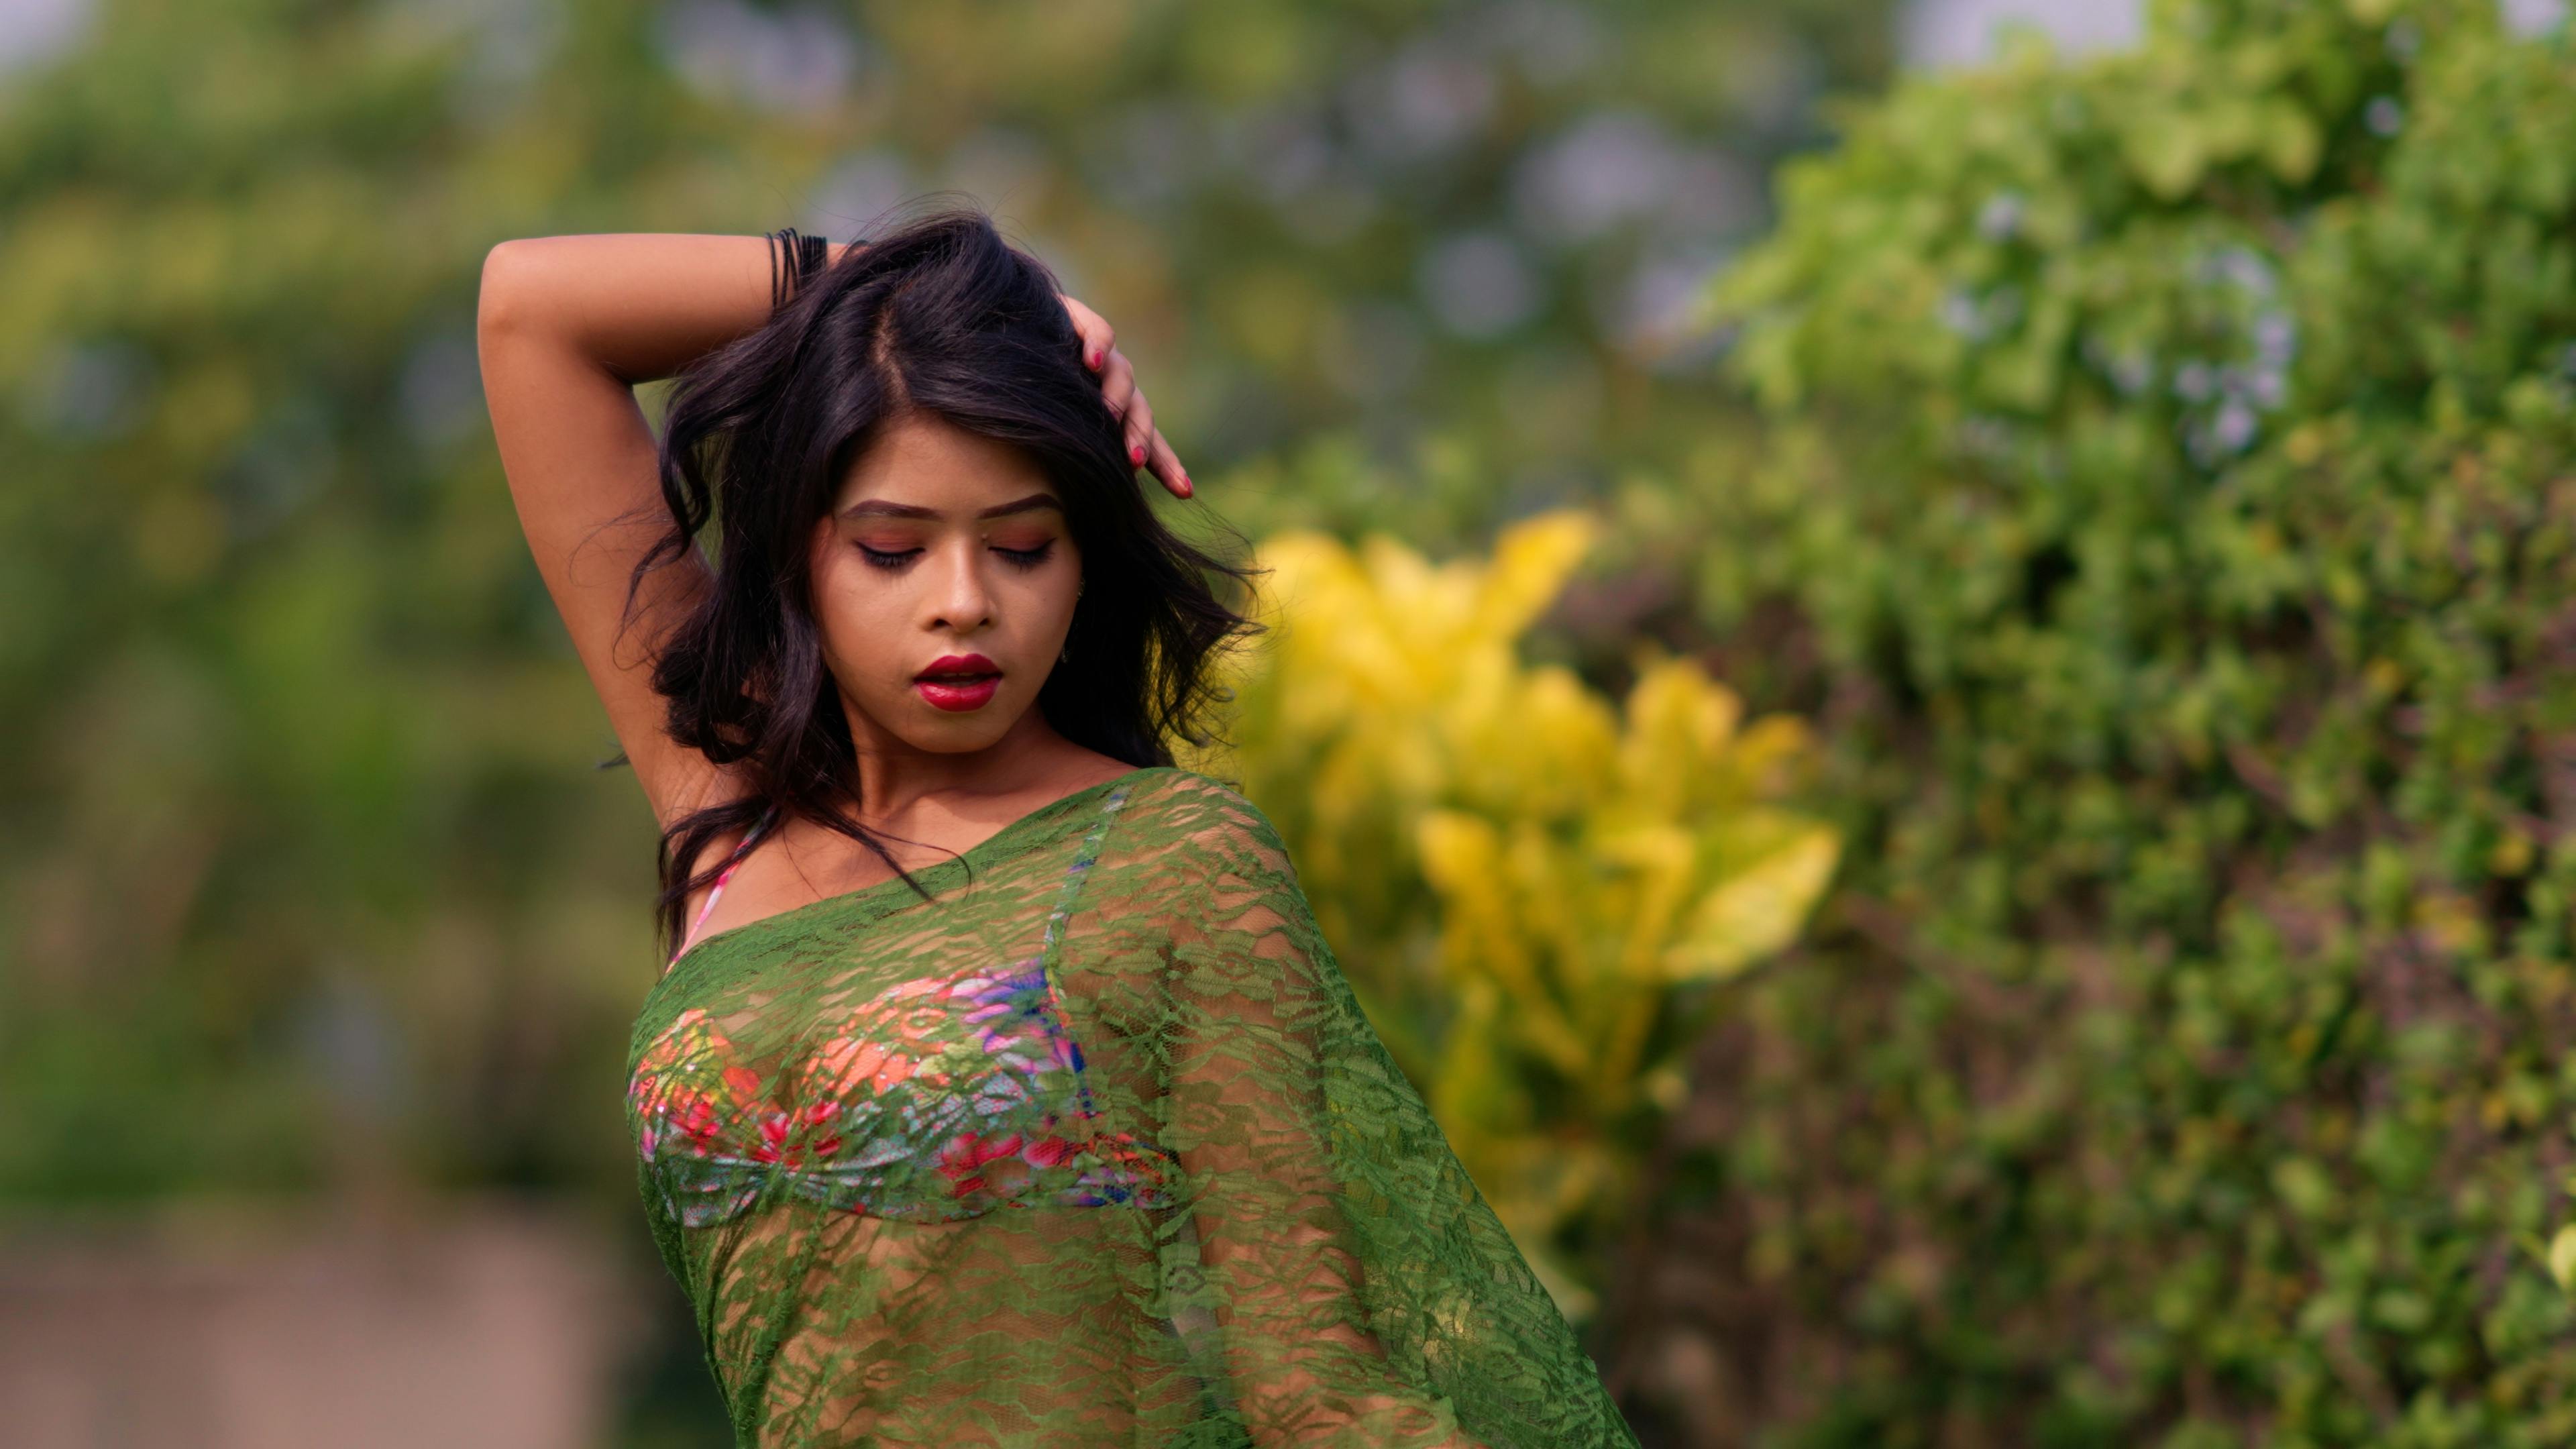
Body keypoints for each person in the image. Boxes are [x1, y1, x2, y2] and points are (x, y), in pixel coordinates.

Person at [474, 205, 1640, 1448]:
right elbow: (531, 309)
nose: (964, 604)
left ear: (1083, 559)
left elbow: (1315, 1393)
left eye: (1023, 547)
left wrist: (980, 303)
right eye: (891, 551)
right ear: (798, 558)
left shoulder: (1169, 859)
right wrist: (928, 291)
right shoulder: (728, 809)